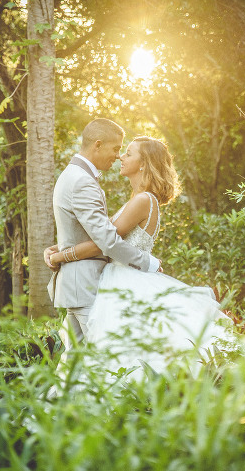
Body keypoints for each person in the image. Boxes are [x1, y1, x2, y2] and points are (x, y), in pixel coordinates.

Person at [47, 136, 235, 381]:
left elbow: (105, 244)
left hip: (126, 279)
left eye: (128, 153)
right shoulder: (137, 200)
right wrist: (55, 250)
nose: (120, 157)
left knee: (111, 353)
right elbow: (100, 239)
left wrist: (61, 256)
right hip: (116, 277)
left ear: (144, 163)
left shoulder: (143, 200)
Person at [44, 119, 162, 358]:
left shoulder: (75, 176)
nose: (118, 156)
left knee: (77, 361)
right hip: (84, 284)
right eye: (117, 149)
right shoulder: (82, 181)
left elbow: (87, 233)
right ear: (97, 145)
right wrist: (148, 262)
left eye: (124, 152)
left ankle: (66, 396)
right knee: (103, 359)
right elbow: (107, 240)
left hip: (84, 284)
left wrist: (58, 251)